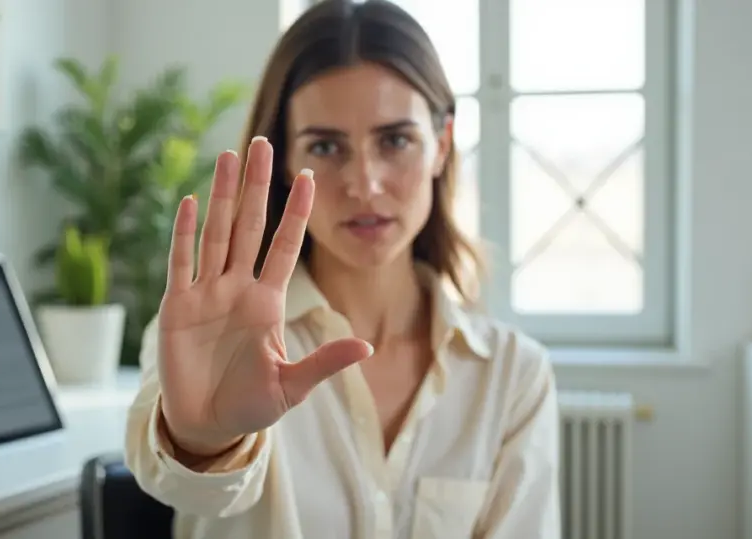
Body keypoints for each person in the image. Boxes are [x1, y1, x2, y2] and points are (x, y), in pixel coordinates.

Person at [123, 1, 560, 537]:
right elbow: (186, 490)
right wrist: (202, 440)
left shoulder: (512, 376)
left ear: (441, 146)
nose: (364, 183)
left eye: (395, 140)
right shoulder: (212, 348)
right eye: (326, 146)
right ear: (286, 159)